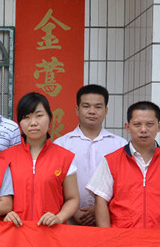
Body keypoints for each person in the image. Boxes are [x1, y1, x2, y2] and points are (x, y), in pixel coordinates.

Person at [87, 101, 160, 231]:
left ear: (159, 126)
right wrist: (106, 235)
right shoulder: (111, 161)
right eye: (137, 124)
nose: (143, 130)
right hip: (122, 238)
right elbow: (101, 200)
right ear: (127, 127)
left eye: (150, 124)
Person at [1, 92, 79, 227]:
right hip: (15, 231)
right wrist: (5, 215)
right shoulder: (5, 157)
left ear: (49, 118)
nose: (33, 123)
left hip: (50, 231)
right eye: (26, 117)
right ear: (19, 123)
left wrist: (59, 218)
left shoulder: (64, 157)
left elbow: (73, 198)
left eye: (39, 116)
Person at [54, 84, 127, 225]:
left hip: (109, 220)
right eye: (86, 106)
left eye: (98, 107)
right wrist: (72, 210)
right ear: (77, 110)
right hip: (69, 220)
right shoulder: (61, 144)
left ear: (106, 111)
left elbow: (125, 185)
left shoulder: (120, 145)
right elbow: (54, 184)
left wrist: (99, 208)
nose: (92, 111)